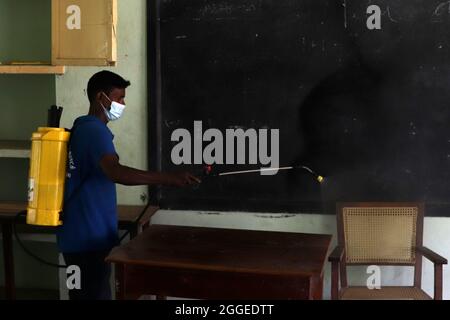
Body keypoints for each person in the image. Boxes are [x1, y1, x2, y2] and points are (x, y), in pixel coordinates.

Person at [56, 70, 200, 300]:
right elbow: (116, 172)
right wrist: (169, 178)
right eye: (119, 98)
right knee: (91, 295)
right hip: (87, 241)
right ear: (100, 97)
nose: (122, 104)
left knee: (82, 293)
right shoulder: (94, 131)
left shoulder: (82, 128)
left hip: (78, 239)